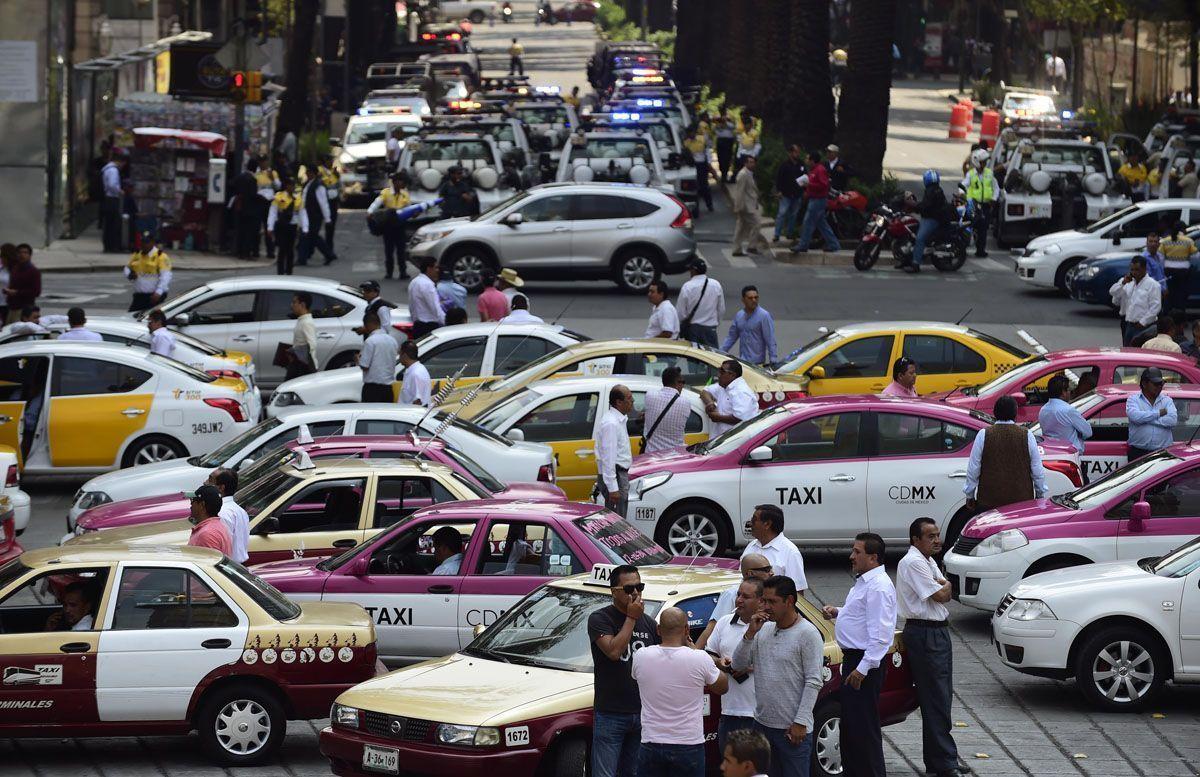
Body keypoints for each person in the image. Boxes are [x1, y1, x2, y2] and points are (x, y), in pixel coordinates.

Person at [733, 575, 824, 777]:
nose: (765, 607)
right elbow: (738, 665)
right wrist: (749, 634)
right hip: (762, 726)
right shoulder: (762, 630)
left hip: (792, 731)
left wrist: (800, 722)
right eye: (763, 600)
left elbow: (813, 681)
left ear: (789, 601)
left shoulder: (807, 634)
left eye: (772, 601)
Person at [821, 533, 896, 777]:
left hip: (864, 664)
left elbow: (881, 635)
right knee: (852, 731)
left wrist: (862, 670)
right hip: (855, 660)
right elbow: (862, 615)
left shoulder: (879, 587)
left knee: (863, 732)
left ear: (873, 557)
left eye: (857, 552)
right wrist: (839, 613)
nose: (851, 556)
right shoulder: (865, 582)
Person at [895, 518, 962, 777]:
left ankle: (941, 760)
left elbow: (945, 588)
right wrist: (943, 586)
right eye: (931, 536)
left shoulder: (928, 560)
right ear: (915, 540)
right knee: (935, 698)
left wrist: (943, 585)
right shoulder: (913, 562)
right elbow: (943, 594)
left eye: (937, 535)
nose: (937, 540)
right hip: (925, 633)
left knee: (941, 697)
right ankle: (944, 763)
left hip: (937, 632)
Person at [632, 607, 727, 777]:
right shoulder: (699, 658)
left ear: (658, 630)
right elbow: (722, 687)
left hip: (651, 741)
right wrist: (694, 649)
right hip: (688, 744)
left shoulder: (641, 656)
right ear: (687, 630)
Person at [589, 565, 660, 777]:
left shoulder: (648, 623)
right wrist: (631, 618)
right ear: (614, 591)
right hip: (611, 712)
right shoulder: (600, 619)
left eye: (639, 587)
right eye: (629, 589)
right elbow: (613, 651)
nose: (636, 593)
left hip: (641, 713)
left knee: (634, 772)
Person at [964, 395, 1047, 514]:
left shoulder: (984, 434)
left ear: (995, 412)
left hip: (989, 501)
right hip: (1021, 501)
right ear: (1015, 413)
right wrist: (1040, 494)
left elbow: (973, 468)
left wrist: (970, 494)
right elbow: (1037, 469)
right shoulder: (1026, 435)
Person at [697, 554, 772, 650]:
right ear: (750, 573)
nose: (771, 573)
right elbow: (712, 628)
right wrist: (695, 654)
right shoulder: (731, 594)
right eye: (766, 570)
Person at [742, 504, 806, 591]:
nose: (749, 524)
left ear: (767, 524)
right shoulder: (751, 546)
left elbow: (797, 592)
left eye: (754, 520)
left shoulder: (790, 552)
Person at [790, 151, 841, 255]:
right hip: (814, 199)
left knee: (808, 222)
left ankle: (803, 245)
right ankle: (833, 244)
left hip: (818, 200)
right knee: (821, 224)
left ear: (812, 161)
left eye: (808, 159)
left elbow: (824, 185)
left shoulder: (820, 170)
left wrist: (809, 184)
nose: (806, 161)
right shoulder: (814, 170)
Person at [905, 170, 954, 273]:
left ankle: (916, 264)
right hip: (932, 217)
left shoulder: (932, 191)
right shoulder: (935, 189)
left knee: (919, 239)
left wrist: (914, 205)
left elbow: (926, 206)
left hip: (933, 219)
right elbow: (926, 205)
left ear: (926, 180)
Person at [596, 384, 634, 518]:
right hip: (616, 476)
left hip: (620, 475)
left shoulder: (619, 420)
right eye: (629, 398)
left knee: (619, 519)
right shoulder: (611, 423)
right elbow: (608, 458)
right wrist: (613, 489)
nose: (633, 401)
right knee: (615, 522)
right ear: (618, 402)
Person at [367, 171, 412, 279]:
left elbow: (409, 209)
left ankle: (403, 272)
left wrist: (413, 214)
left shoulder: (405, 194)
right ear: (395, 182)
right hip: (389, 225)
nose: (404, 185)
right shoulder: (386, 193)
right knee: (389, 250)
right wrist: (370, 212)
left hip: (401, 225)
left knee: (401, 250)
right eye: (403, 182)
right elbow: (377, 202)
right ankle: (389, 272)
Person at [1126, 367, 1178, 460]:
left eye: (1161, 383)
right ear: (1144, 384)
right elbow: (1135, 417)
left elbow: (1172, 421)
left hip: (1162, 453)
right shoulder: (1133, 400)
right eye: (1155, 384)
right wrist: (1158, 413)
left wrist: (1144, 419)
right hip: (1138, 453)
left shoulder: (1167, 401)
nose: (1159, 386)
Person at [1110, 256, 1162, 346]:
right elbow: (1112, 292)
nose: (1134, 272)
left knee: (1141, 351)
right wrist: (1123, 283)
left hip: (1145, 326)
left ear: (1144, 269)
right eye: (1132, 270)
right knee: (1127, 350)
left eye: (1137, 270)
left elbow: (1155, 307)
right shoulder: (1127, 282)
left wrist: (1143, 322)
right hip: (1129, 324)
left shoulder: (1153, 285)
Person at [1038, 375, 1092, 456]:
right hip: (1070, 455)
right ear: (1063, 392)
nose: (1070, 393)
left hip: (1051, 453)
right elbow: (1088, 432)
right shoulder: (1068, 410)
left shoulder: (1043, 410)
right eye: (1069, 390)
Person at [701, 360, 758, 436]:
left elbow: (741, 418)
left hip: (735, 441)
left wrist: (718, 417)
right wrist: (710, 403)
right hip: (721, 440)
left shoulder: (741, 391)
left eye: (722, 372)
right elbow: (705, 391)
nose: (718, 375)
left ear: (732, 375)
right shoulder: (724, 386)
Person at [723, 285, 777, 366]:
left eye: (756, 297)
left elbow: (770, 339)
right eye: (750, 298)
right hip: (743, 362)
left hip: (758, 364)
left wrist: (773, 359)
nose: (754, 300)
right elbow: (731, 337)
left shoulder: (764, 316)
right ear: (743, 300)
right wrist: (720, 351)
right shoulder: (739, 315)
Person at [641, 366, 690, 454]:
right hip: (674, 457)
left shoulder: (649, 395)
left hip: (651, 456)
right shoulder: (685, 402)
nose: (683, 385)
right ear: (677, 382)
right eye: (683, 382)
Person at [677, 257, 725, 346]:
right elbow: (721, 309)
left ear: (693, 271)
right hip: (710, 329)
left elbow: (680, 313)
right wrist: (715, 323)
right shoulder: (716, 285)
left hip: (693, 330)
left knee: (694, 358)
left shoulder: (687, 287)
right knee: (712, 357)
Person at [960, 148, 998, 258]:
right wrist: (962, 194)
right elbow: (963, 185)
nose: (985, 164)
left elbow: (996, 188)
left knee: (983, 229)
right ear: (977, 162)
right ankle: (962, 249)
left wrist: (994, 199)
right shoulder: (971, 174)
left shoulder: (989, 173)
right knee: (967, 227)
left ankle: (980, 250)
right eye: (983, 162)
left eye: (985, 161)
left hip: (985, 206)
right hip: (972, 205)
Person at [208, 468, 250, 565]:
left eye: (210, 480)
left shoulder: (221, 512)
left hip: (226, 567)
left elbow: (221, 546)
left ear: (220, 488)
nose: (205, 483)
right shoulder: (240, 511)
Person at [298, 167, 338, 267]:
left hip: (314, 215)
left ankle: (328, 254)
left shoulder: (318, 185)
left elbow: (323, 202)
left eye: (309, 172)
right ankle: (302, 258)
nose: (307, 174)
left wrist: (328, 218)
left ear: (313, 173)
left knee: (313, 235)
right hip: (307, 214)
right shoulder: (309, 184)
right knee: (306, 235)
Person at [124, 231, 171, 312]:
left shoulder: (161, 256)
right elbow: (127, 268)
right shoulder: (137, 254)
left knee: (153, 320)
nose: (144, 245)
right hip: (139, 296)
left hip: (154, 297)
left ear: (153, 243)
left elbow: (166, 276)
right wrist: (129, 274)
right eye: (142, 242)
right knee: (131, 319)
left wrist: (158, 292)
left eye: (147, 242)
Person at [732, 156, 770, 257]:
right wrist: (738, 207)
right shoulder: (743, 175)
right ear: (745, 163)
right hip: (745, 206)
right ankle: (751, 246)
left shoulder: (749, 174)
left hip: (748, 205)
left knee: (741, 227)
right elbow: (739, 192)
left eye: (753, 162)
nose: (752, 164)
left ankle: (737, 249)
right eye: (750, 162)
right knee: (756, 224)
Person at [266, 171, 302, 275]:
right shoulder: (278, 197)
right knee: (282, 250)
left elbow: (302, 214)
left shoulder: (298, 198)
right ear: (286, 186)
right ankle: (280, 272)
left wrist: (304, 227)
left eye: (293, 185)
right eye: (290, 185)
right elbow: (272, 213)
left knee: (290, 250)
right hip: (282, 226)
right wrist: (270, 227)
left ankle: (289, 272)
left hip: (292, 226)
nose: (292, 187)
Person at [359, 311, 399, 403]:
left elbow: (365, 366)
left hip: (372, 389)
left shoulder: (370, 341)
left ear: (368, 325)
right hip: (388, 389)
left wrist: (358, 359)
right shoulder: (392, 341)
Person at [1160, 220, 1197, 313]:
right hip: (1183, 272)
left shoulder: (1165, 241)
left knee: (1169, 295)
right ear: (1184, 229)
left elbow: (1160, 257)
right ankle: (1180, 316)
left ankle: (1167, 316)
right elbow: (1195, 255)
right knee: (1181, 295)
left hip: (1168, 271)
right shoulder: (1188, 241)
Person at [186, 485, 233, 556]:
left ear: (202, 505)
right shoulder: (218, 526)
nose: (190, 505)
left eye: (193, 500)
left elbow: (208, 566)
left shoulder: (207, 534)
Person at [774, 145, 806, 242]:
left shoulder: (801, 164)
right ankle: (777, 234)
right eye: (795, 152)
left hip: (797, 193)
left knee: (793, 214)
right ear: (790, 153)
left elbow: (805, 176)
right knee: (782, 213)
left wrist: (804, 190)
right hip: (786, 193)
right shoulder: (784, 165)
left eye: (798, 152)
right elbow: (779, 178)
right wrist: (779, 191)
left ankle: (790, 233)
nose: (797, 154)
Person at [408, 258, 446, 338]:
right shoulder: (428, 285)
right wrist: (446, 323)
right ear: (429, 268)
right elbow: (435, 308)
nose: (438, 270)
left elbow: (411, 306)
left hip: (417, 325)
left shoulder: (414, 282)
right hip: (429, 326)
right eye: (436, 267)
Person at [4, 243, 41, 324]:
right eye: (20, 252)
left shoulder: (33, 271)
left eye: (25, 252)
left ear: (30, 255)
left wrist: (16, 292)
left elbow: (36, 292)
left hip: (24, 308)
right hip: (12, 307)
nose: (22, 255)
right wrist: (9, 292)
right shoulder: (15, 269)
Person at [287, 292, 318, 380]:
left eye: (294, 302)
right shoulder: (302, 320)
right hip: (298, 364)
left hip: (302, 367)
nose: (291, 305)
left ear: (302, 305)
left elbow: (312, 345)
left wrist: (310, 368)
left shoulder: (307, 323)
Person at [683, 126, 713, 216]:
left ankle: (709, 204)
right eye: (689, 133)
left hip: (702, 164)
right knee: (695, 188)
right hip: (693, 166)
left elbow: (707, 151)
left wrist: (709, 163)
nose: (691, 135)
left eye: (692, 133)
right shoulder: (686, 143)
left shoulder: (702, 139)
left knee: (704, 186)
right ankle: (695, 209)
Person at [254, 156, 280, 258]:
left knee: (269, 227)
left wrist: (272, 179)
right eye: (261, 162)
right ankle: (255, 251)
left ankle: (270, 251)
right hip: (259, 201)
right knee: (257, 228)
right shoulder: (256, 173)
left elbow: (278, 186)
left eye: (265, 162)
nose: (263, 164)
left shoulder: (273, 173)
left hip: (269, 202)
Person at [100, 153, 125, 252]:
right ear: (119, 161)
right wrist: (119, 191)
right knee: (113, 223)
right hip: (112, 198)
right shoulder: (113, 170)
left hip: (108, 198)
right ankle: (112, 246)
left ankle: (108, 245)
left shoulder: (106, 169)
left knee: (109, 223)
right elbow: (112, 184)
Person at [318, 154, 341, 252]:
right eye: (329, 160)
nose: (331, 162)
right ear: (325, 161)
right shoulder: (320, 171)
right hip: (323, 202)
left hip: (333, 202)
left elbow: (338, 186)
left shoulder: (333, 172)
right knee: (318, 226)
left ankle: (329, 248)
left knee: (331, 226)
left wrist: (337, 176)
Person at [398, 340, 431, 406]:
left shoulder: (416, 373)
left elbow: (418, 402)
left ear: (404, 355)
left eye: (399, 354)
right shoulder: (413, 370)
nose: (399, 357)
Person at [713, 110, 737, 184]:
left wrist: (726, 122)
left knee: (727, 158)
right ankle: (723, 174)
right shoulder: (716, 115)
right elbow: (714, 127)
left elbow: (733, 126)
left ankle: (725, 175)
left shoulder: (730, 115)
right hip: (720, 140)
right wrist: (720, 123)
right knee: (720, 158)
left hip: (728, 141)